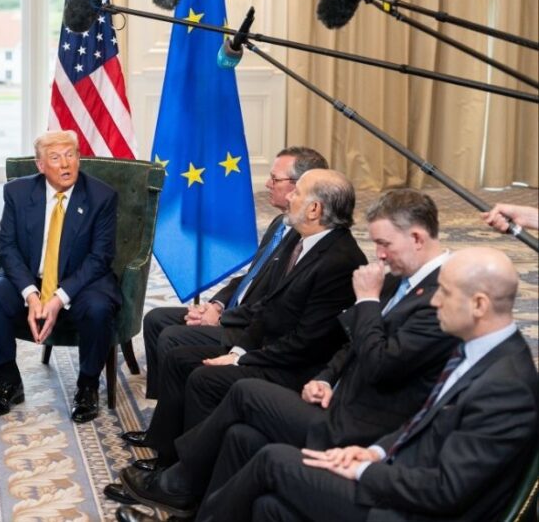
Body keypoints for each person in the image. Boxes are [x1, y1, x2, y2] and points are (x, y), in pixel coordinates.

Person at [110, 189, 458, 515]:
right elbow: (350, 345)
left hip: (362, 426)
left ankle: (178, 483)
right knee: (240, 435)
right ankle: (196, 506)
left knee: (245, 392)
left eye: (384, 244)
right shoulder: (400, 277)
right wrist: (326, 379)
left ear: (416, 238)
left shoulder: (442, 296)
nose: (378, 254)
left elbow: (382, 363)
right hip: (334, 397)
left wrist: (366, 300)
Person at [195, 247, 539, 522]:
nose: (434, 301)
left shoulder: (506, 387)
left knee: (273, 459)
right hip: (401, 476)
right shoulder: (478, 348)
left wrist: (363, 470)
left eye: (445, 293)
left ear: (479, 305)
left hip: (413, 511)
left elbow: (447, 491)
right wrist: (375, 451)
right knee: (266, 498)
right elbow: (423, 423)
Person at [124, 169, 366, 463]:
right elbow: (267, 307)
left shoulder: (339, 260)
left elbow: (306, 343)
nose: (289, 196)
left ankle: (188, 474)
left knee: (204, 378)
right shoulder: (299, 239)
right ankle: (168, 454)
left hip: (294, 367)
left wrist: (240, 359)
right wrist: (239, 349)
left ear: (315, 209)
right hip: (267, 345)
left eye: (297, 192)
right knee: (179, 358)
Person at [141, 147, 328, 400]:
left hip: (249, 327)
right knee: (156, 319)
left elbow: (274, 301)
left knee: (173, 339)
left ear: (299, 186)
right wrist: (217, 305)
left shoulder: (302, 239)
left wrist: (223, 319)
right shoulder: (280, 223)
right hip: (234, 312)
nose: (268, 184)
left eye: (275, 179)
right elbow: (250, 277)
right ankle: (165, 403)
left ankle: (175, 413)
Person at [0, 129, 119, 424]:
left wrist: (57, 299)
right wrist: (30, 293)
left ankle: (87, 386)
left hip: (81, 282)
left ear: (79, 158)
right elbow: (8, 247)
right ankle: (9, 380)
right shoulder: (18, 192)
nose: (65, 164)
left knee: (99, 308)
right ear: (40, 165)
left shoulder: (102, 197)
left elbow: (99, 258)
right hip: (31, 278)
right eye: (55, 158)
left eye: (70, 155)